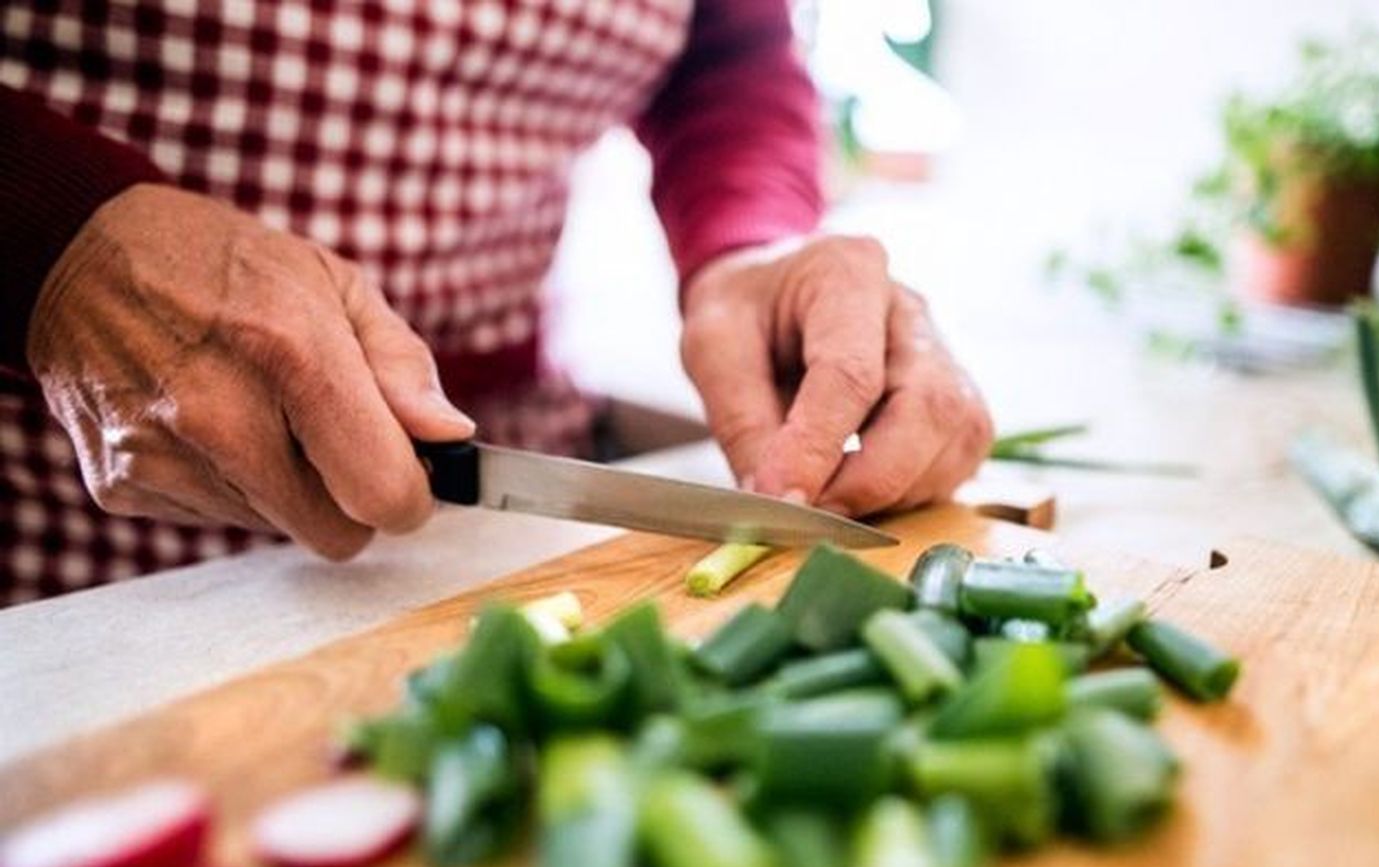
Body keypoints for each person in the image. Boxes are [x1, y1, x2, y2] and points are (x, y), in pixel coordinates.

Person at [0, 0, 993, 606]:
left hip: (496, 496)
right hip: (67, 511)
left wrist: (752, 246)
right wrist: (55, 241)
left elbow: (727, 58)